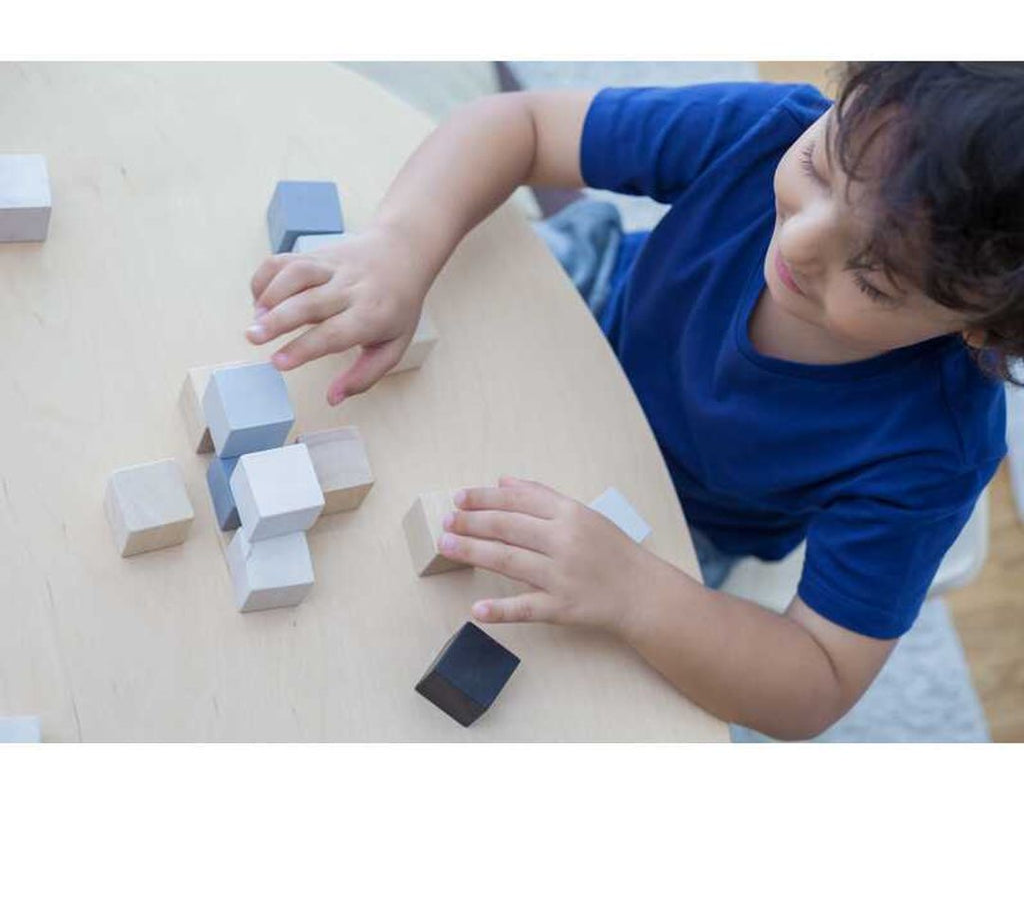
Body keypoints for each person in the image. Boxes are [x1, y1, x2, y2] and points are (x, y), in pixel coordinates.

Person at [245, 63, 1019, 739]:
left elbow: (817, 680)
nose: (799, 242)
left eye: (875, 277)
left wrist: (638, 594)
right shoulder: (762, 130)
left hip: (682, 513)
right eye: (819, 167)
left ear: (979, 328)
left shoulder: (934, 450)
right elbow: (518, 123)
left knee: (552, 676)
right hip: (593, 298)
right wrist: (402, 244)